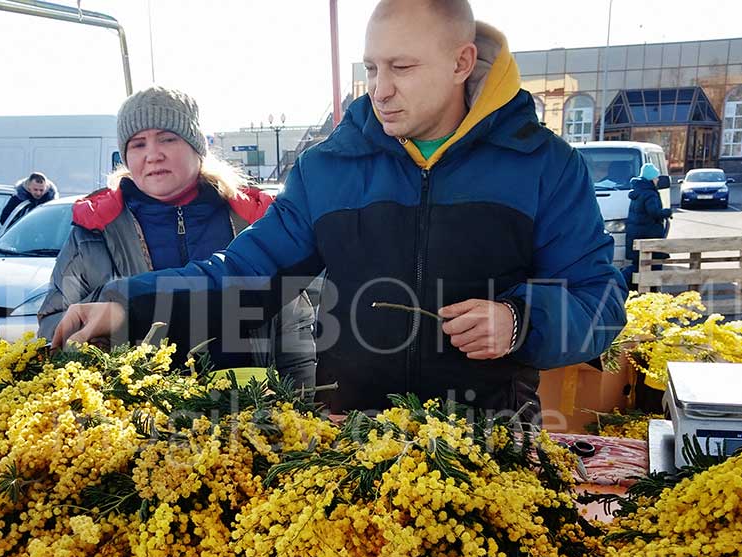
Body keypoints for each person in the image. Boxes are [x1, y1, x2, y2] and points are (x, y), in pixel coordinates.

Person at [52, 0, 628, 419]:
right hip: (353, 448)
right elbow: (244, 278)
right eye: (372, 68)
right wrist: (128, 306)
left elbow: (599, 300)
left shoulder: (544, 166)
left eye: (401, 68)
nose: (379, 88)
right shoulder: (329, 169)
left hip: (491, 445)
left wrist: (521, 321)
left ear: (461, 62)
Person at [37, 87, 317, 390]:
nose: (153, 155)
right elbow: (54, 324)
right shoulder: (94, 232)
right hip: (138, 425)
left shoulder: (253, 219)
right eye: (138, 144)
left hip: (250, 416)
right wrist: (107, 326)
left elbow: (294, 326)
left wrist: (300, 405)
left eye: (168, 138)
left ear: (197, 146)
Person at [623, 162, 673, 289]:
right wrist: (667, 212)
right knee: (653, 264)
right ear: (651, 178)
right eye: (656, 177)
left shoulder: (638, 191)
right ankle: (649, 291)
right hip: (649, 234)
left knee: (639, 263)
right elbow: (654, 212)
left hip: (637, 234)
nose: (657, 180)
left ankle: (634, 288)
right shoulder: (650, 193)